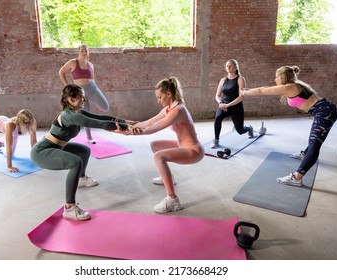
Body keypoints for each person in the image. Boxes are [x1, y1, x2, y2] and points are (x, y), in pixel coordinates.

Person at [30, 84, 133, 221]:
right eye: (81, 98)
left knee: (84, 150)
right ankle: (69, 208)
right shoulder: (70, 116)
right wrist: (128, 128)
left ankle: (81, 179)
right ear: (71, 100)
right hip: (42, 152)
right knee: (75, 162)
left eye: (84, 98)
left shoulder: (78, 112)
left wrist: (126, 122)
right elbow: (101, 125)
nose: (84, 101)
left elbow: (102, 118)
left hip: (56, 147)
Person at [241, 65, 337, 187]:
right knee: (314, 138)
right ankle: (305, 154)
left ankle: (297, 177)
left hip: (325, 112)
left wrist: (244, 92)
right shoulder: (293, 85)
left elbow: (262, 90)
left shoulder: (290, 87)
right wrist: (247, 89)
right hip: (325, 109)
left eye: (276, 77)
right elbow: (265, 88)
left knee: (315, 144)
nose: (275, 80)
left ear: (283, 77)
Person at [129, 77, 205, 214]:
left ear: (168, 94)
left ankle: (172, 200)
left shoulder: (178, 110)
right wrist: (128, 125)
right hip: (182, 145)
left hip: (193, 150)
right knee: (155, 145)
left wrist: (129, 133)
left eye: (159, 97)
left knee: (159, 157)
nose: (158, 101)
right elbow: (148, 123)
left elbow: (154, 128)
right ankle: (168, 177)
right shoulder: (169, 108)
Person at [59, 43, 109, 144]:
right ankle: (89, 137)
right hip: (79, 92)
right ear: (79, 51)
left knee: (105, 107)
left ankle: (99, 123)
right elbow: (61, 72)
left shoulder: (91, 65)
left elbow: (93, 78)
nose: (84, 52)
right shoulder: (73, 62)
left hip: (92, 88)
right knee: (86, 115)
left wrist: (95, 89)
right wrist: (68, 86)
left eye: (86, 50)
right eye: (82, 50)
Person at [0, 86, 37, 172]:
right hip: (0, 122)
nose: (30, 125)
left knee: (11, 155)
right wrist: (9, 166)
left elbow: (33, 142)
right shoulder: (10, 125)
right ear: (22, 122)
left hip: (15, 131)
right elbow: (8, 147)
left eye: (30, 122)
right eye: (27, 123)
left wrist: (36, 157)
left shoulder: (31, 121)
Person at [212, 59, 253, 148]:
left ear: (235, 68)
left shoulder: (240, 79)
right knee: (218, 118)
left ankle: (249, 128)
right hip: (223, 105)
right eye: (227, 66)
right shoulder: (223, 80)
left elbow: (241, 97)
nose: (228, 68)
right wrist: (220, 103)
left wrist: (228, 105)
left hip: (236, 106)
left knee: (240, 130)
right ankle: (216, 140)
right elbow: (217, 95)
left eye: (230, 66)